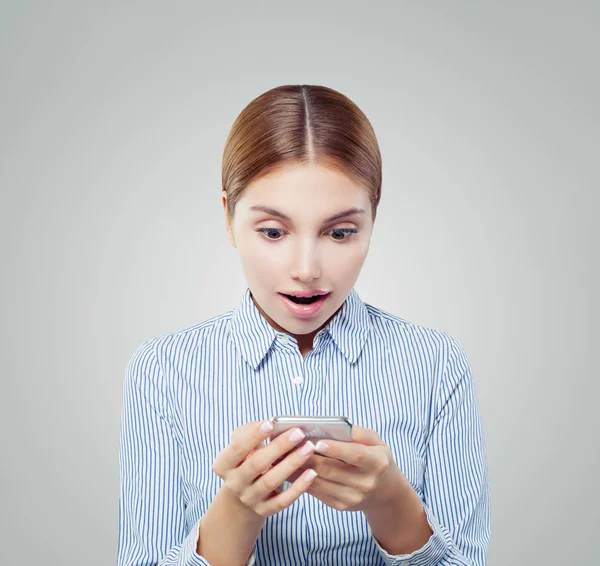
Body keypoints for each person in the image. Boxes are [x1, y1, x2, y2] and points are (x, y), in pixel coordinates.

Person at [117, 84, 491, 566]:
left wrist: (392, 507)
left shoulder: (437, 364)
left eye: (340, 232)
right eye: (273, 231)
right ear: (229, 218)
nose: (307, 269)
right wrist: (235, 514)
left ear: (373, 218)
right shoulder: (161, 371)